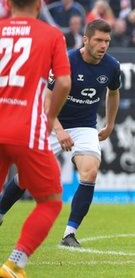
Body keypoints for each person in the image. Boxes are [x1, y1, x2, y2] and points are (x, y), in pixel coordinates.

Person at [0, 19, 121, 249]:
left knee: (90, 172)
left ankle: (69, 234)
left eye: (107, 41)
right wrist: (59, 129)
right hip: (50, 121)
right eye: (98, 40)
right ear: (85, 39)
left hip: (85, 126)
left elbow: (113, 92)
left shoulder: (112, 66)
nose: (103, 45)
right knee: (27, 176)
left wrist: (110, 124)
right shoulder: (66, 60)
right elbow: (46, 99)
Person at [0, 0, 72, 278]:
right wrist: (51, 116)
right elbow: (65, 84)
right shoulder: (51, 34)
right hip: (25, 131)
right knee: (50, 200)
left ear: (7, 2)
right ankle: (15, 263)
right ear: (41, 3)